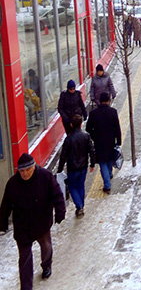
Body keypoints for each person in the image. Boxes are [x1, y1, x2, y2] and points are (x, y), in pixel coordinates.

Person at [0, 153, 66, 288]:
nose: (24, 174)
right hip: (22, 226)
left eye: (27, 170)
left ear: (34, 167)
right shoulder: (13, 183)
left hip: (41, 222)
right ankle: (26, 286)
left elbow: (57, 194)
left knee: (46, 246)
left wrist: (60, 211)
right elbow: (6, 204)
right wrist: (2, 222)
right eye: (21, 171)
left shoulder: (46, 177)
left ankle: (46, 265)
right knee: (24, 258)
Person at [57, 114, 95, 217]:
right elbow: (91, 151)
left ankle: (79, 206)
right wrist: (92, 163)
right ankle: (81, 205)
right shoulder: (86, 136)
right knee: (81, 186)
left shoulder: (68, 139)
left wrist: (60, 169)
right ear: (81, 124)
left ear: (71, 125)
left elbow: (63, 156)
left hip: (72, 168)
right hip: (83, 167)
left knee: (73, 187)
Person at [86, 92, 121, 195]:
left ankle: (107, 183)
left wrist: (94, 136)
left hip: (99, 142)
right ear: (108, 101)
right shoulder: (113, 112)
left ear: (100, 101)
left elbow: (88, 129)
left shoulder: (93, 113)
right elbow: (117, 128)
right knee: (109, 160)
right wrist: (118, 141)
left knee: (102, 163)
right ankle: (108, 180)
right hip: (111, 141)